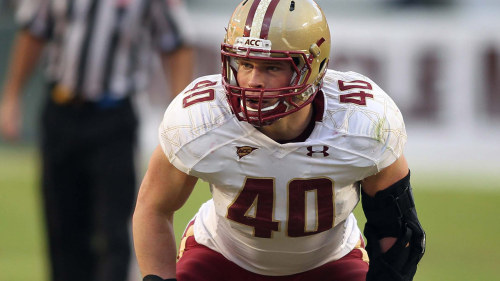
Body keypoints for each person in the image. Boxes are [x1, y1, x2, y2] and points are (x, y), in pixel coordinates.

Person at [132, 0, 426, 281]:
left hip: (329, 262)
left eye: (271, 67)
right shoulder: (202, 118)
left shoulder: (360, 122)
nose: (252, 81)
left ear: (313, 67)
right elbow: (153, 208)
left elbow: (398, 229)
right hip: (222, 256)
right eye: (245, 64)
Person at [0, 1, 194, 281]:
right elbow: (33, 31)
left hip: (113, 117)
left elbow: (177, 42)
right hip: (60, 110)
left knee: (114, 229)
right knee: (62, 225)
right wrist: (12, 96)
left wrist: (180, 112)